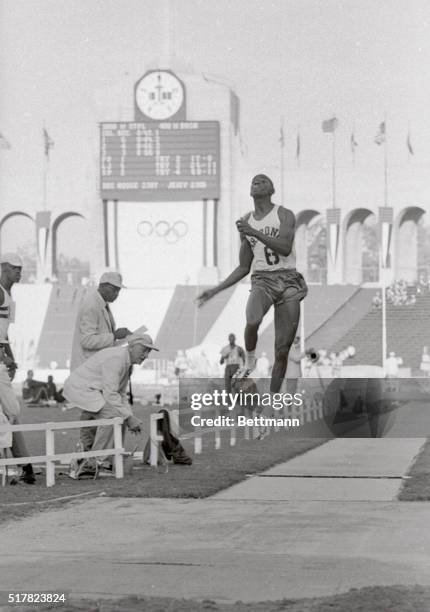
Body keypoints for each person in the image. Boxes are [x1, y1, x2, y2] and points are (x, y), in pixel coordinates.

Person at [198, 174, 307, 414]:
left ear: (271, 189)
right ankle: (251, 359)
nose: (256, 181)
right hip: (262, 279)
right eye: (253, 181)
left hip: (288, 279)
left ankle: (271, 404)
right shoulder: (245, 221)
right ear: (250, 191)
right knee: (252, 320)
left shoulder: (284, 214)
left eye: (263, 181)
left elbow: (285, 247)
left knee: (282, 350)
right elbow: (243, 267)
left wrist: (253, 232)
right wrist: (215, 289)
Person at [63, 333, 159, 474]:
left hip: (89, 391)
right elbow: (111, 394)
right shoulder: (117, 359)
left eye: (148, 351)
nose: (146, 355)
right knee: (113, 416)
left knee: (104, 419)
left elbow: (120, 394)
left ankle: (86, 458)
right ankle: (94, 462)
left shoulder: (126, 361)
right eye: (143, 350)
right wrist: (129, 418)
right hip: (82, 390)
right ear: (131, 347)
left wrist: (130, 417)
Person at [70, 271, 132, 453]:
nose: (117, 295)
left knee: (94, 412)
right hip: (88, 369)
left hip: (95, 368)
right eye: (115, 290)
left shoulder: (101, 304)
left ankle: (90, 452)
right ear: (104, 286)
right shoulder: (92, 305)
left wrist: (120, 338)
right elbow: (87, 341)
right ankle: (88, 452)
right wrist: (114, 335)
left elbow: (101, 340)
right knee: (92, 413)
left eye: (118, 291)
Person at [0, 253, 35, 483]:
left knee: (10, 414)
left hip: (2, 359)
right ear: (3, 269)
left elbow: (4, 333)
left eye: (21, 269)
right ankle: (23, 466)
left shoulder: (8, 296)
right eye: (15, 268)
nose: (19, 272)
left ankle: (24, 466)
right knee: (11, 411)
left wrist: (10, 356)